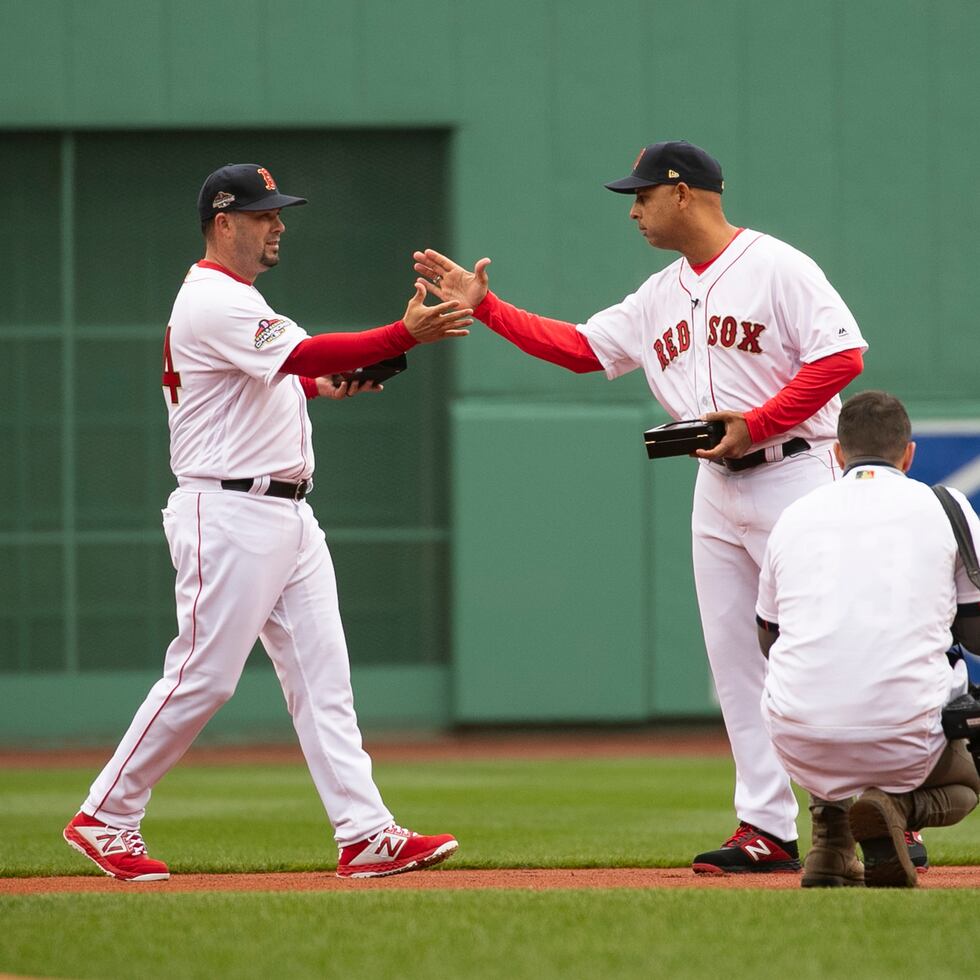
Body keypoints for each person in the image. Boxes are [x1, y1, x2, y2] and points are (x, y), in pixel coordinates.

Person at [413, 139, 878, 874]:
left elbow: (841, 357)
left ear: (684, 193)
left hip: (797, 472)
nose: (633, 210)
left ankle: (880, 812)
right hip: (716, 486)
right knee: (735, 662)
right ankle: (765, 825)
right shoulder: (660, 293)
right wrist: (490, 309)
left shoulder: (778, 267)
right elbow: (581, 348)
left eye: (642, 196)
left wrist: (756, 424)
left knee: (827, 647)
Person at [63, 163, 472, 881]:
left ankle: (365, 831)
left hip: (284, 513)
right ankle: (106, 814)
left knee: (324, 680)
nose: (278, 222)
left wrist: (328, 383)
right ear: (224, 223)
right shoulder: (214, 299)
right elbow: (303, 352)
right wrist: (398, 336)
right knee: (204, 676)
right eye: (262, 214)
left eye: (278, 211)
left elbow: (290, 374)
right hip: (227, 510)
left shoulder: (238, 300)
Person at [757, 390, 980, 887]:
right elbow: (976, 632)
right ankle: (896, 808)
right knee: (966, 779)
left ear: (836, 454)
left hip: (799, 734)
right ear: (909, 453)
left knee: (824, 677)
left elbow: (768, 640)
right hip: (904, 733)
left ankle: (830, 849)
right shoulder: (945, 505)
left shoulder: (794, 515)